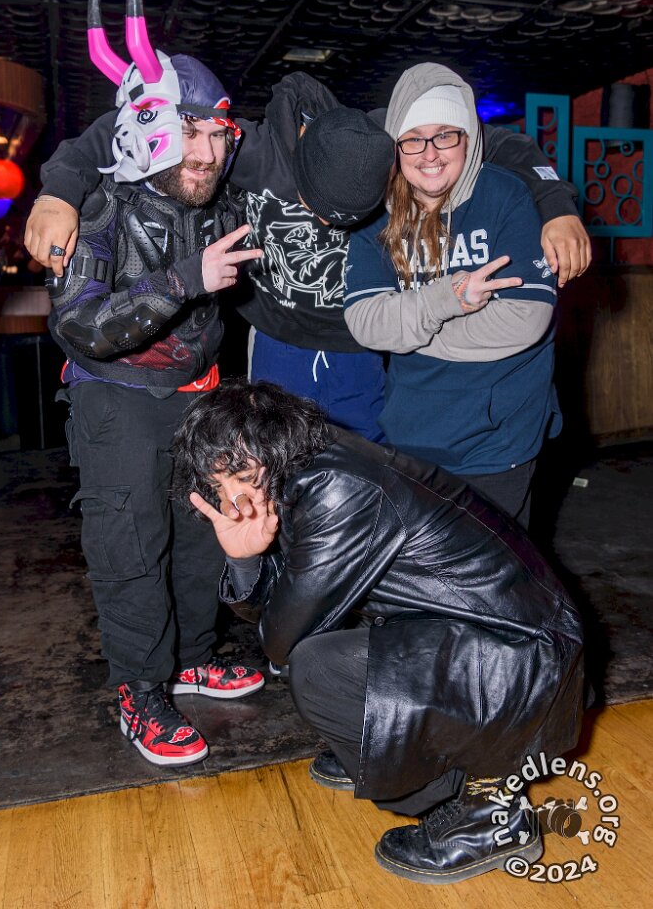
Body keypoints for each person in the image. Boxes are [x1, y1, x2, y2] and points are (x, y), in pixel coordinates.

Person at [171, 378, 584, 886]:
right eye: (218, 483)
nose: (233, 496)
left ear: (273, 445)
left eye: (241, 475)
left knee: (317, 668)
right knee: (326, 648)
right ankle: (392, 749)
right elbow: (288, 603)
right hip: (490, 640)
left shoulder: (338, 489)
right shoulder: (308, 462)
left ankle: (487, 814)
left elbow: (281, 641)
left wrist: (249, 558)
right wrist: (246, 560)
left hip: (522, 660)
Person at [25, 77, 590, 445]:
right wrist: (58, 193)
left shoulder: (383, 137)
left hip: (359, 340)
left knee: (366, 467)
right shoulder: (254, 149)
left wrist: (557, 207)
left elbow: (499, 144)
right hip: (278, 337)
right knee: (274, 460)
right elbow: (137, 120)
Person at [45, 0, 266, 768]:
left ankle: (191, 658)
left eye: (216, 134)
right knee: (131, 547)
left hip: (196, 395)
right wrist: (182, 281)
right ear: (146, 132)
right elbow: (80, 328)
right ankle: (140, 692)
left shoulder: (217, 199)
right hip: (116, 398)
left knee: (199, 532)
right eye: (189, 132)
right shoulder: (99, 210)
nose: (206, 151)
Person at [344, 63, 573, 527]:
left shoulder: (508, 196)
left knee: (495, 569)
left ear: (468, 138)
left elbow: (523, 320)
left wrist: (407, 331)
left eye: (445, 135)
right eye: (413, 139)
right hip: (411, 433)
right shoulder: (378, 213)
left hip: (498, 441)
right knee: (421, 567)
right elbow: (366, 322)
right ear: (396, 146)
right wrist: (447, 300)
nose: (430, 153)